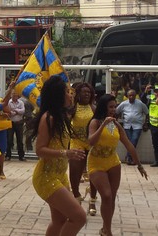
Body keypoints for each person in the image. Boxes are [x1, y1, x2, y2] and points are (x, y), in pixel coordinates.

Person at [26, 75, 86, 236]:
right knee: (79, 217)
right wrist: (66, 153)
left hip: (60, 175)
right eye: (67, 91)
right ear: (58, 95)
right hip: (46, 177)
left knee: (59, 221)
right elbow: (40, 150)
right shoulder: (49, 118)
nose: (71, 94)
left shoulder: (62, 116)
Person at [88, 94, 148, 236]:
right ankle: (107, 230)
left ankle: (105, 229)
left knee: (111, 197)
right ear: (103, 107)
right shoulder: (95, 122)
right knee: (106, 195)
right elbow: (91, 141)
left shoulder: (116, 125)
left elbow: (129, 145)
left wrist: (139, 165)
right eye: (111, 107)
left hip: (113, 162)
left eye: (115, 107)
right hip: (96, 162)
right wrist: (103, 125)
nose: (114, 110)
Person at [69, 82, 97, 216]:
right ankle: (76, 196)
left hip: (91, 144)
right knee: (75, 172)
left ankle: (92, 199)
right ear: (78, 94)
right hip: (76, 143)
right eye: (84, 92)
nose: (87, 94)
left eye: (89, 92)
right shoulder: (73, 108)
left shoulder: (94, 108)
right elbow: (65, 123)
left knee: (94, 173)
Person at [115, 89, 149, 165]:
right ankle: (131, 159)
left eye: (133, 95)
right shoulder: (124, 104)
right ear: (127, 96)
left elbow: (147, 112)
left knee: (134, 141)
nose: (131, 97)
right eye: (130, 95)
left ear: (135, 96)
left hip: (137, 126)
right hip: (127, 126)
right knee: (129, 142)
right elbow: (116, 112)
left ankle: (128, 157)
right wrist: (116, 121)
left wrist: (146, 123)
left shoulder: (140, 103)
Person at [144, 85, 158, 167]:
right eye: (155, 91)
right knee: (156, 144)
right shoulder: (151, 98)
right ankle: (157, 161)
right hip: (154, 125)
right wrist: (146, 91)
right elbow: (143, 100)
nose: (156, 93)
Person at [6, 91, 25, 162]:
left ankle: (21, 156)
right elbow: (9, 112)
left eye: (16, 95)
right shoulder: (8, 102)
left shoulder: (21, 102)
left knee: (20, 139)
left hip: (19, 123)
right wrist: (17, 112)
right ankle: (8, 155)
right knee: (9, 139)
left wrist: (15, 111)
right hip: (11, 123)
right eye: (13, 94)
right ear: (11, 95)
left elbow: (23, 111)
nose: (15, 96)